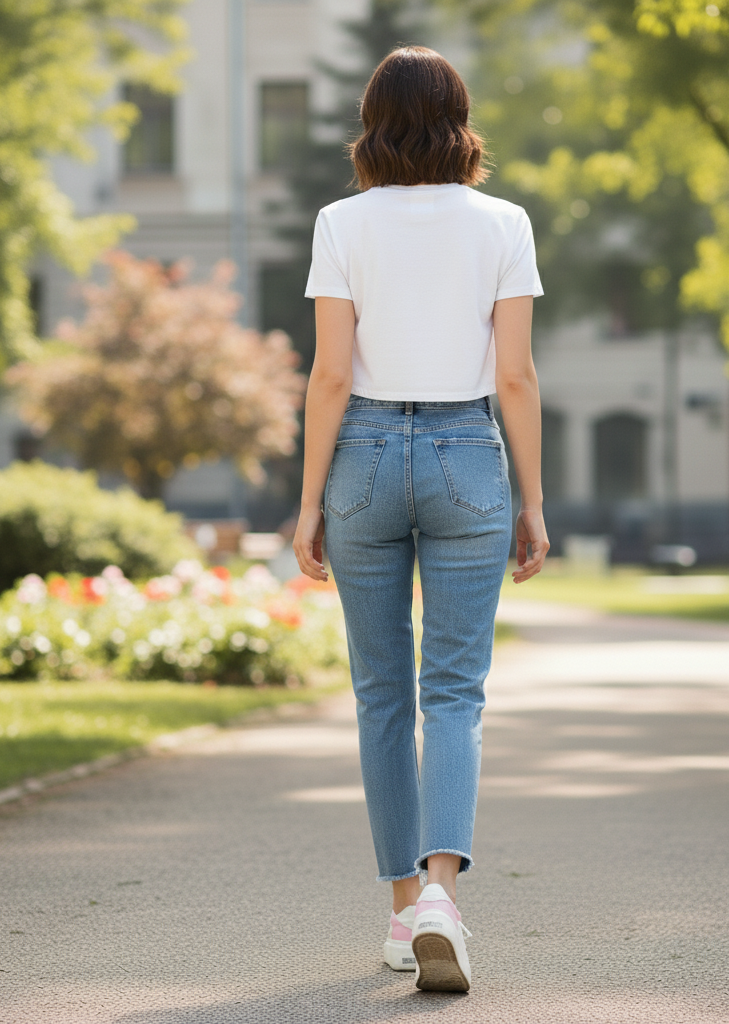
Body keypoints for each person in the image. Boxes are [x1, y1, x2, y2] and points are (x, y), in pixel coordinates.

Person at [293, 45, 549, 993]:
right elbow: (516, 375)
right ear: (459, 119)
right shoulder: (504, 222)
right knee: (455, 692)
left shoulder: (340, 222)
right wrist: (530, 499)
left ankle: (405, 912)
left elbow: (326, 373)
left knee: (380, 696)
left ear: (373, 123)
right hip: (467, 458)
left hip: (361, 454)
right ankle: (443, 893)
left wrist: (312, 499)